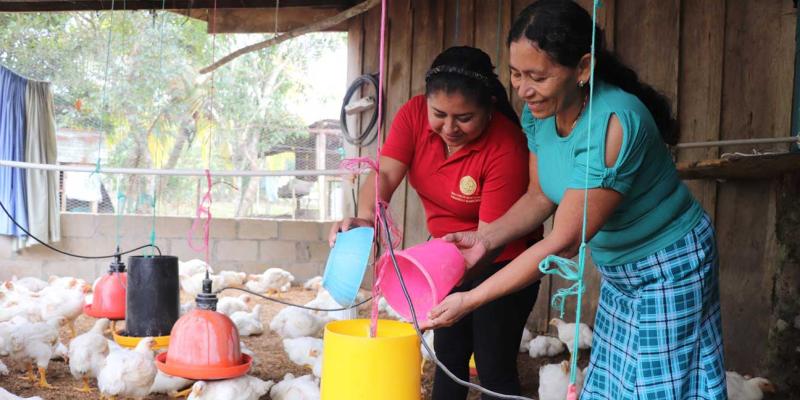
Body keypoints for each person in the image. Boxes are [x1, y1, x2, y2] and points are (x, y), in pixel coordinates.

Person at [421, 2, 727, 400]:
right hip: (620, 269)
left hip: (670, 263)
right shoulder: (539, 113)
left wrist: (472, 298)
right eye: (515, 73)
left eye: (537, 76)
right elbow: (538, 196)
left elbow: (563, 240)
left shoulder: (613, 124)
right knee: (611, 384)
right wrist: (486, 239)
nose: (523, 88)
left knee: (661, 386)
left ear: (583, 68)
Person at [329, 46, 542, 399]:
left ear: (490, 108)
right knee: (449, 356)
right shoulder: (413, 115)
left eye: (464, 117)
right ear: (425, 103)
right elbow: (384, 172)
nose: (449, 127)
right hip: (445, 258)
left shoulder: (506, 144)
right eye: (439, 114)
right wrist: (366, 219)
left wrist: (445, 285)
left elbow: (490, 239)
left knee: (493, 365)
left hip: (504, 260)